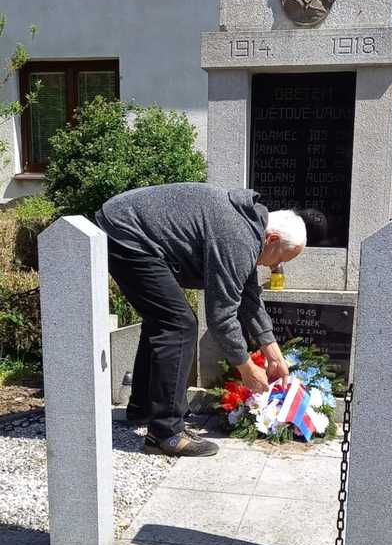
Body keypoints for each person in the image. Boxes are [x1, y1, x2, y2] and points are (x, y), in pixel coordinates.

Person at [95, 183, 306, 457]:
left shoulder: (250, 228)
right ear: (272, 239)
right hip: (126, 232)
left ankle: (144, 408)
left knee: (165, 320)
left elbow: (249, 297)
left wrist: (274, 355)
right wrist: (246, 368)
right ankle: (165, 434)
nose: (275, 266)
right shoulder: (239, 238)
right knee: (179, 325)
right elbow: (221, 316)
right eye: (281, 258)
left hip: (123, 223)